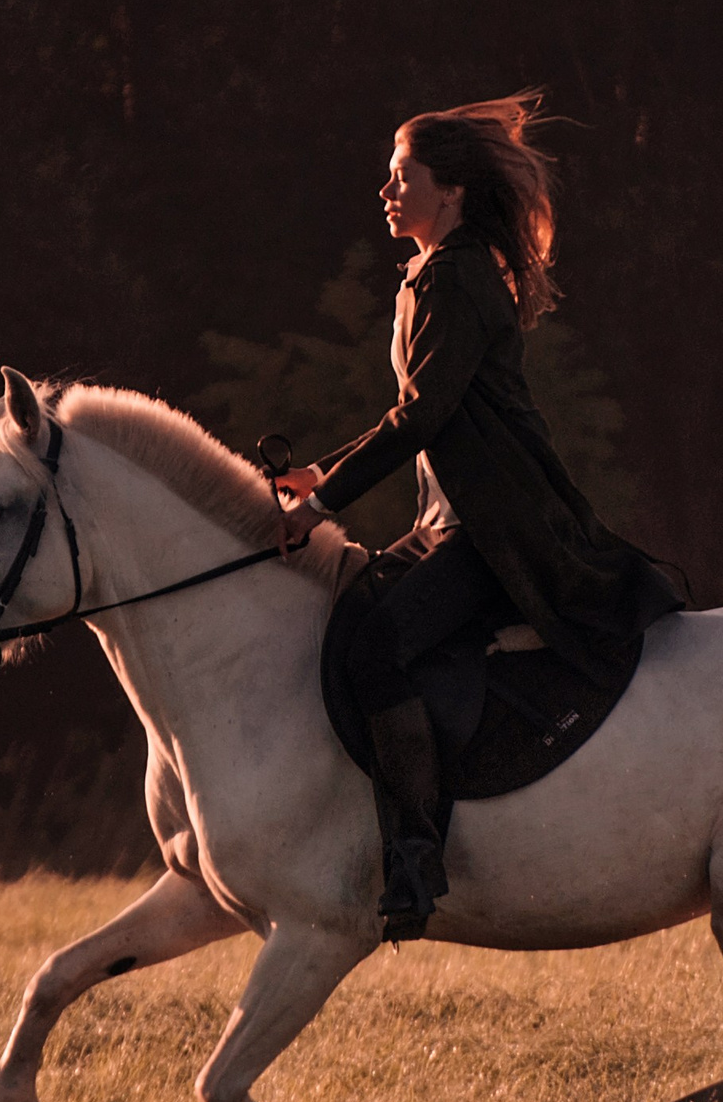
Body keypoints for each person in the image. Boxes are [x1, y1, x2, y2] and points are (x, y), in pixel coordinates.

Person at [272, 90, 682, 938]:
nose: (386, 191)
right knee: (358, 621)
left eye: (402, 177)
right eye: (388, 178)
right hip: (448, 522)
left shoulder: (454, 277)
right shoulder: (432, 274)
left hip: (498, 533)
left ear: (451, 191)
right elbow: (421, 413)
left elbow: (420, 416)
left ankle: (416, 859)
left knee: (381, 646)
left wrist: (320, 503)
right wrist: (325, 469)